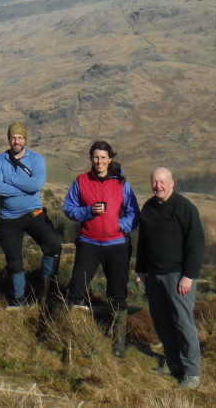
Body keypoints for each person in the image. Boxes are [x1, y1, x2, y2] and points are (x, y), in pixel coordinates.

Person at [63, 141, 140, 358]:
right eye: (96, 157)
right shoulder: (81, 181)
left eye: (103, 158)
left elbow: (134, 212)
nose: (99, 162)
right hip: (88, 243)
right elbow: (68, 208)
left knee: (118, 293)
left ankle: (119, 342)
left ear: (110, 159)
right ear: (91, 158)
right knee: (75, 289)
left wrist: (120, 226)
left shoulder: (121, 184)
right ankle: (66, 337)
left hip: (116, 244)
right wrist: (88, 211)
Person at [136, 167, 204, 390]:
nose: (159, 186)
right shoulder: (148, 208)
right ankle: (173, 362)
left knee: (183, 323)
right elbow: (144, 244)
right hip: (154, 276)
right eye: (155, 182)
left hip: (178, 276)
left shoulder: (185, 208)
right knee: (162, 321)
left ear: (172, 183)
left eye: (163, 182)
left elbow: (196, 245)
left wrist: (189, 276)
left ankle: (192, 372)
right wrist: (141, 271)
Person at [0, 122, 62, 306]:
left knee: (53, 246)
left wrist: (10, 180)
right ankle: (18, 299)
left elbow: (36, 185)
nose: (16, 141)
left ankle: (46, 288)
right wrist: (24, 187)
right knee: (14, 261)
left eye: (20, 137)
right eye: (13, 137)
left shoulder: (36, 159)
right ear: (8, 139)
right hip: (8, 219)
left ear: (25, 139)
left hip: (33, 214)